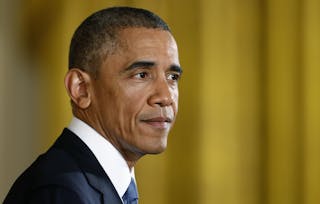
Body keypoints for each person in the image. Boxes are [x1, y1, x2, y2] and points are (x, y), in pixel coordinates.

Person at [4, 6, 182, 204]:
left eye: (172, 77)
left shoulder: (86, 183)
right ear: (81, 88)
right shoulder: (61, 193)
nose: (166, 97)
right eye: (141, 75)